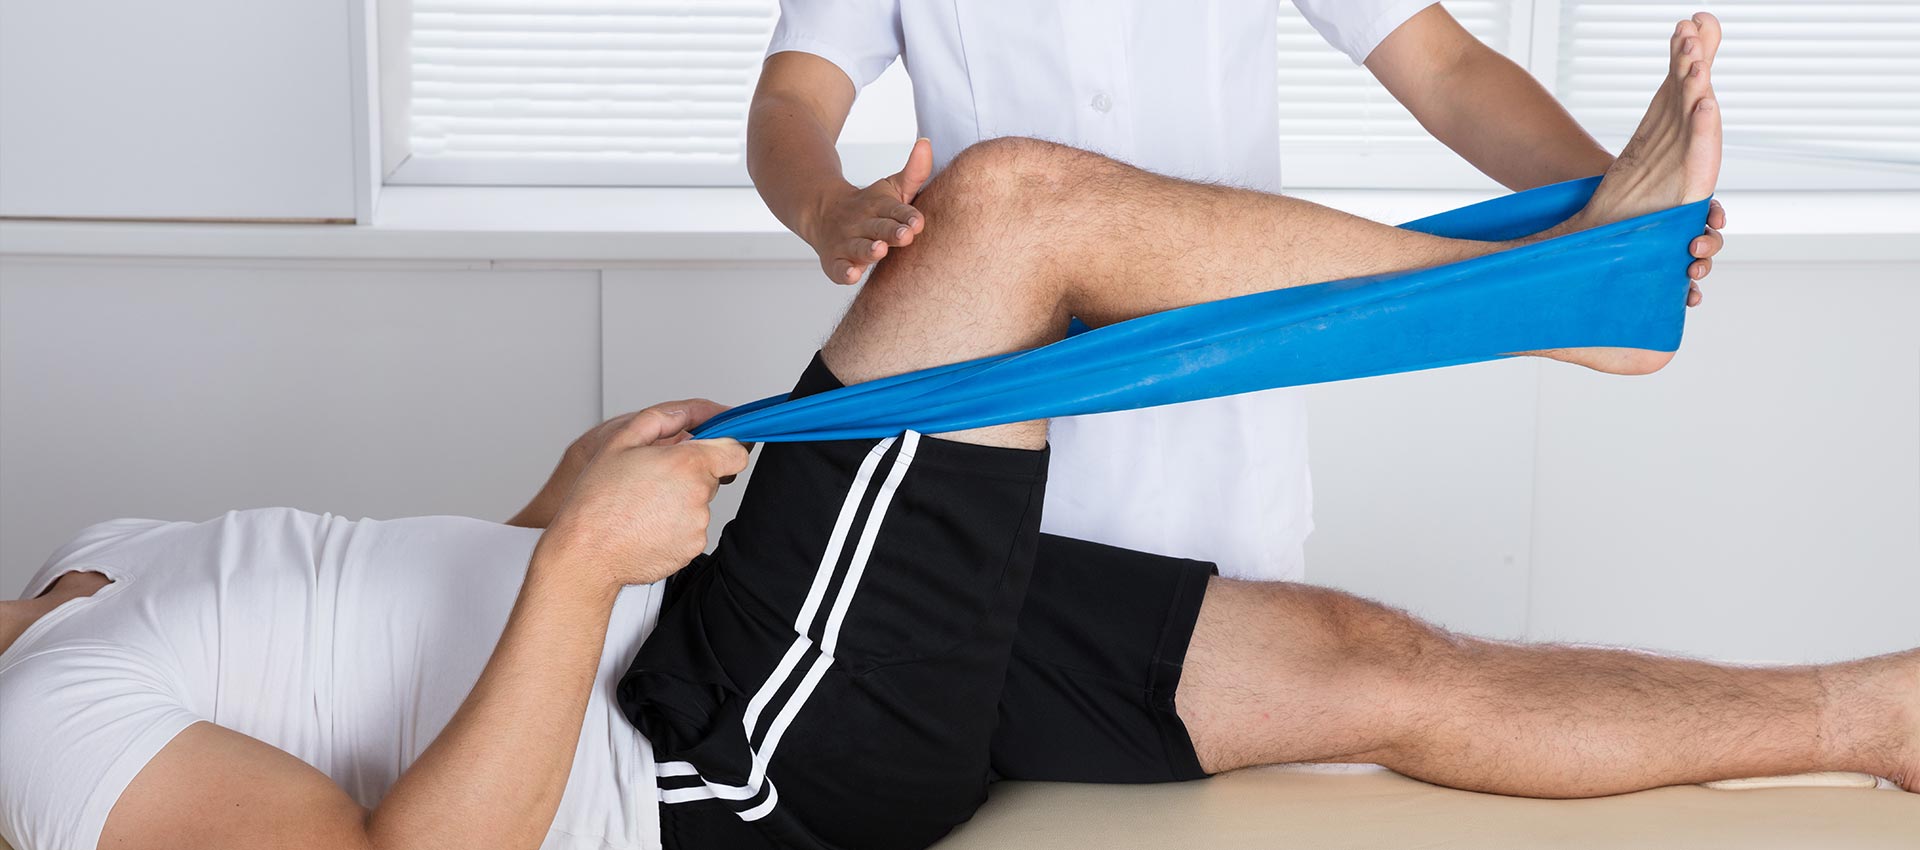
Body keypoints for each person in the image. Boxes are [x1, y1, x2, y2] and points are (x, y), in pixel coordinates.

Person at [4, 21, 1912, 850]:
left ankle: (1868, 715)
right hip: (710, 746)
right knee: (1016, 207)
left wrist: (557, 509)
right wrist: (587, 555)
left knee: (1363, 662)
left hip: (722, 618)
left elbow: (397, 639)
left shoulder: (90, 574)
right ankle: (1575, 301)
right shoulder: (35, 733)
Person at [746, 0, 1731, 582]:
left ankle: (1587, 274)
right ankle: (1563, 295)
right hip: (994, 406)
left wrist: (1626, 218)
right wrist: (826, 202)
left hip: (1220, 414)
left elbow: (1446, 67)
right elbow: (793, 96)